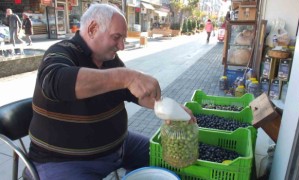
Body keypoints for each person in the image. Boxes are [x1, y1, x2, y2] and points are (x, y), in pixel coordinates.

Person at [26, 4, 196, 179]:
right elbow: (55, 81)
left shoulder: (109, 59)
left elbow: (131, 91)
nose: (121, 46)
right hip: (64, 161)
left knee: (166, 160)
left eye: (123, 38)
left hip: (120, 146)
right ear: (92, 29)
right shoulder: (61, 52)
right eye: (117, 37)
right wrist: (126, 77)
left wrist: (169, 108)